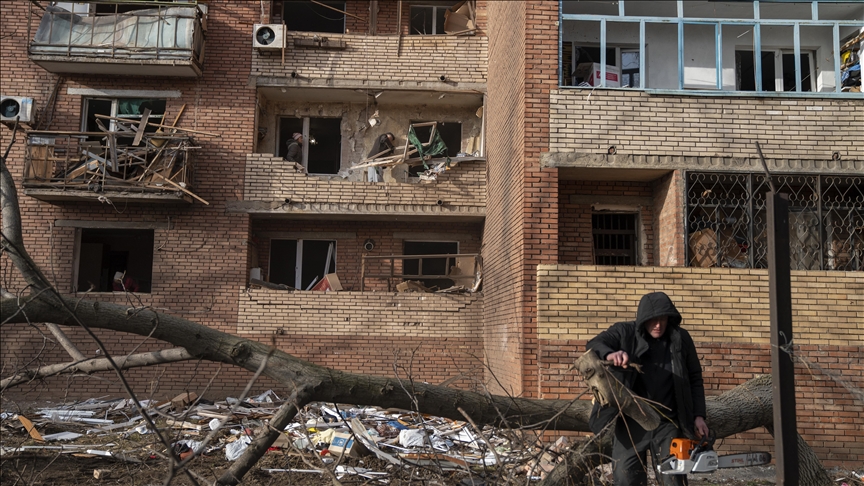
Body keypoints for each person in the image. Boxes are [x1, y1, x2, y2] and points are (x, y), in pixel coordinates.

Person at [587, 291, 709, 486]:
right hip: (631, 421)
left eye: (663, 319)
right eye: (653, 320)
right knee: (626, 478)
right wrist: (610, 354)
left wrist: (699, 416)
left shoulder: (680, 339)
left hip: (668, 423)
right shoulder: (625, 332)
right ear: (643, 319)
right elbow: (594, 343)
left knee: (673, 480)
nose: (658, 325)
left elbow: (695, 378)